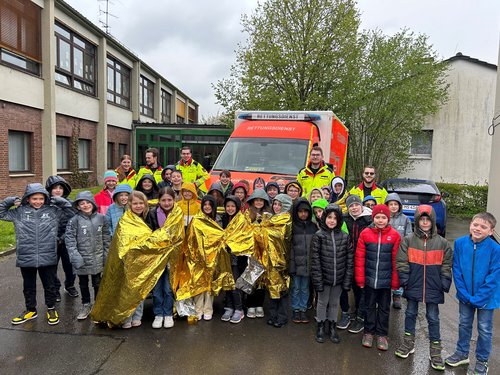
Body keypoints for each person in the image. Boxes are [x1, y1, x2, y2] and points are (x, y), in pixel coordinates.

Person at [91, 190, 184, 327]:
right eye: (135, 203)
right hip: (140, 259)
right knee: (139, 287)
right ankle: (137, 316)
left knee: (165, 287)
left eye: (141, 203)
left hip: (163, 257)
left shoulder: (158, 215)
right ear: (129, 204)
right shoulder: (128, 219)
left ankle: (164, 314)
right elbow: (131, 240)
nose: (139, 206)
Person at [1, 183, 71, 326]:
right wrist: (11, 200)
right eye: (34, 199)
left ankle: (51, 308)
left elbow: (71, 212)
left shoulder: (53, 211)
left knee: (49, 285)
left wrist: (58, 200)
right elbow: (1, 212)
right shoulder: (19, 212)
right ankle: (31, 309)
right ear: (27, 199)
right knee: (28, 286)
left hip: (48, 255)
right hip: (26, 256)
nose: (38, 201)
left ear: (45, 198)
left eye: (41, 198)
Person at [394, 205, 453, 371]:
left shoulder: (442, 243)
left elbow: (447, 264)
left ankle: (435, 350)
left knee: (433, 317)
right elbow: (401, 262)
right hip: (413, 284)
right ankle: (408, 342)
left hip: (434, 286)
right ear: (417, 221)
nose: (425, 222)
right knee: (410, 313)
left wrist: (444, 283)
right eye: (422, 219)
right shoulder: (408, 240)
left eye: (428, 219)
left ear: (432, 221)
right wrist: (405, 281)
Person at [445, 212, 500, 375]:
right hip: (465, 296)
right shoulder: (461, 243)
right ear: (470, 224)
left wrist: (479, 298)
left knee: (484, 329)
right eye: (475, 224)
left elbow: (494, 275)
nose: (478, 228)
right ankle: (462, 353)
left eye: (483, 227)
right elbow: (457, 269)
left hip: (486, 299)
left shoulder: (496, 249)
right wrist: (463, 293)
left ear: (491, 231)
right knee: (464, 324)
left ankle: (482, 360)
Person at [355, 204, 400, 351]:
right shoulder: (365, 233)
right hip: (369, 279)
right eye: (377, 217)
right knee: (368, 306)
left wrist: (395, 281)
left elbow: (396, 260)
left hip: (385, 282)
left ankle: (382, 334)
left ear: (388, 218)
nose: (380, 220)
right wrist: (360, 279)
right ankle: (368, 332)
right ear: (373, 218)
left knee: (384, 308)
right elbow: (360, 258)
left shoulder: (394, 235)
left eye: (384, 217)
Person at [311, 204, 354, 343]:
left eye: (335, 218)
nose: (332, 221)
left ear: (339, 220)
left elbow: (349, 260)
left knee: (335, 303)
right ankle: (321, 325)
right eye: (329, 217)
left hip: (339, 278)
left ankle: (332, 326)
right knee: (322, 302)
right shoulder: (319, 236)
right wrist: (318, 280)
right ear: (325, 218)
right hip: (324, 278)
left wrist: (347, 280)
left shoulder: (345, 237)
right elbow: (315, 259)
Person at [65, 191, 111, 321]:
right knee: (83, 283)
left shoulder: (102, 219)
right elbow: (70, 240)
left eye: (87, 202)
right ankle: (86, 304)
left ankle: (98, 304)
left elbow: (106, 238)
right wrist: (75, 256)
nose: (85, 205)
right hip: (82, 258)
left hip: (97, 257)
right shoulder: (74, 221)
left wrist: (106, 255)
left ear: (93, 203)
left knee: (97, 282)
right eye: (81, 203)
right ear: (78, 206)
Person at [146, 187, 180, 329]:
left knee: (168, 287)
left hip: (172, 257)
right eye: (163, 200)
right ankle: (158, 314)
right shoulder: (153, 214)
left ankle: (167, 314)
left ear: (174, 200)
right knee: (157, 288)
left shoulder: (178, 214)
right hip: (157, 257)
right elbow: (149, 233)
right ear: (159, 201)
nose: (166, 203)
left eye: (169, 200)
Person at [339, 194, 373, 333]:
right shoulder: (344, 219)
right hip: (347, 259)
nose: (354, 208)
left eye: (356, 205)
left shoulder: (369, 220)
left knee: (361, 290)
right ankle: (346, 314)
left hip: (363, 260)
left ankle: (360, 317)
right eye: (351, 205)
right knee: (344, 288)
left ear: (361, 205)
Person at [45, 175, 78, 300]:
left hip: (67, 241)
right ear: (49, 190)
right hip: (51, 242)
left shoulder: (69, 204)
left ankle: (69, 285)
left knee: (70, 266)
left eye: (60, 188)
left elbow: (73, 222)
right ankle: (55, 288)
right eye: (55, 188)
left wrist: (63, 238)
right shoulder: (45, 205)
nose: (58, 190)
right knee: (51, 267)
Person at [266, 194, 293, 328]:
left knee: (282, 289)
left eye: (279, 205)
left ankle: (282, 316)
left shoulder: (286, 219)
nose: (276, 207)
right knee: (272, 287)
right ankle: (272, 315)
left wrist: (264, 228)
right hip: (271, 259)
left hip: (282, 261)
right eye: (275, 204)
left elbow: (280, 236)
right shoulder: (272, 219)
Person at [245, 189, 273, 319]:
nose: (259, 202)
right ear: (252, 201)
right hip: (251, 252)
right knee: (251, 278)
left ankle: (259, 305)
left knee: (262, 279)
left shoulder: (269, 215)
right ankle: (250, 304)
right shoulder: (246, 214)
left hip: (265, 252)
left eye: (261, 200)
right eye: (256, 200)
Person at [289, 197, 317, 323]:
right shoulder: (292, 227)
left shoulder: (313, 227)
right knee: (295, 288)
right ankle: (295, 309)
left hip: (308, 265)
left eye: (306, 211)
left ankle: (303, 309)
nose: (303, 214)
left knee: (305, 288)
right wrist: (291, 266)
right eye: (300, 211)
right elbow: (290, 248)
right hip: (295, 264)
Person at [220, 195, 246, 324]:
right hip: (225, 257)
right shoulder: (223, 218)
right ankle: (229, 307)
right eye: (228, 206)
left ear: (237, 207)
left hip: (237, 258)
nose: (230, 208)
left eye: (232, 206)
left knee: (235, 284)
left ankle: (239, 309)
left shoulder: (241, 219)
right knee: (227, 283)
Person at [385, 192, 412, 309]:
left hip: (400, 252)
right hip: (385, 251)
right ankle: (385, 294)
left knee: (398, 273)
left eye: (396, 204)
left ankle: (397, 295)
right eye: (391, 204)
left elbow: (409, 235)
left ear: (399, 205)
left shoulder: (405, 219)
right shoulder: (384, 218)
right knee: (386, 273)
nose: (393, 206)